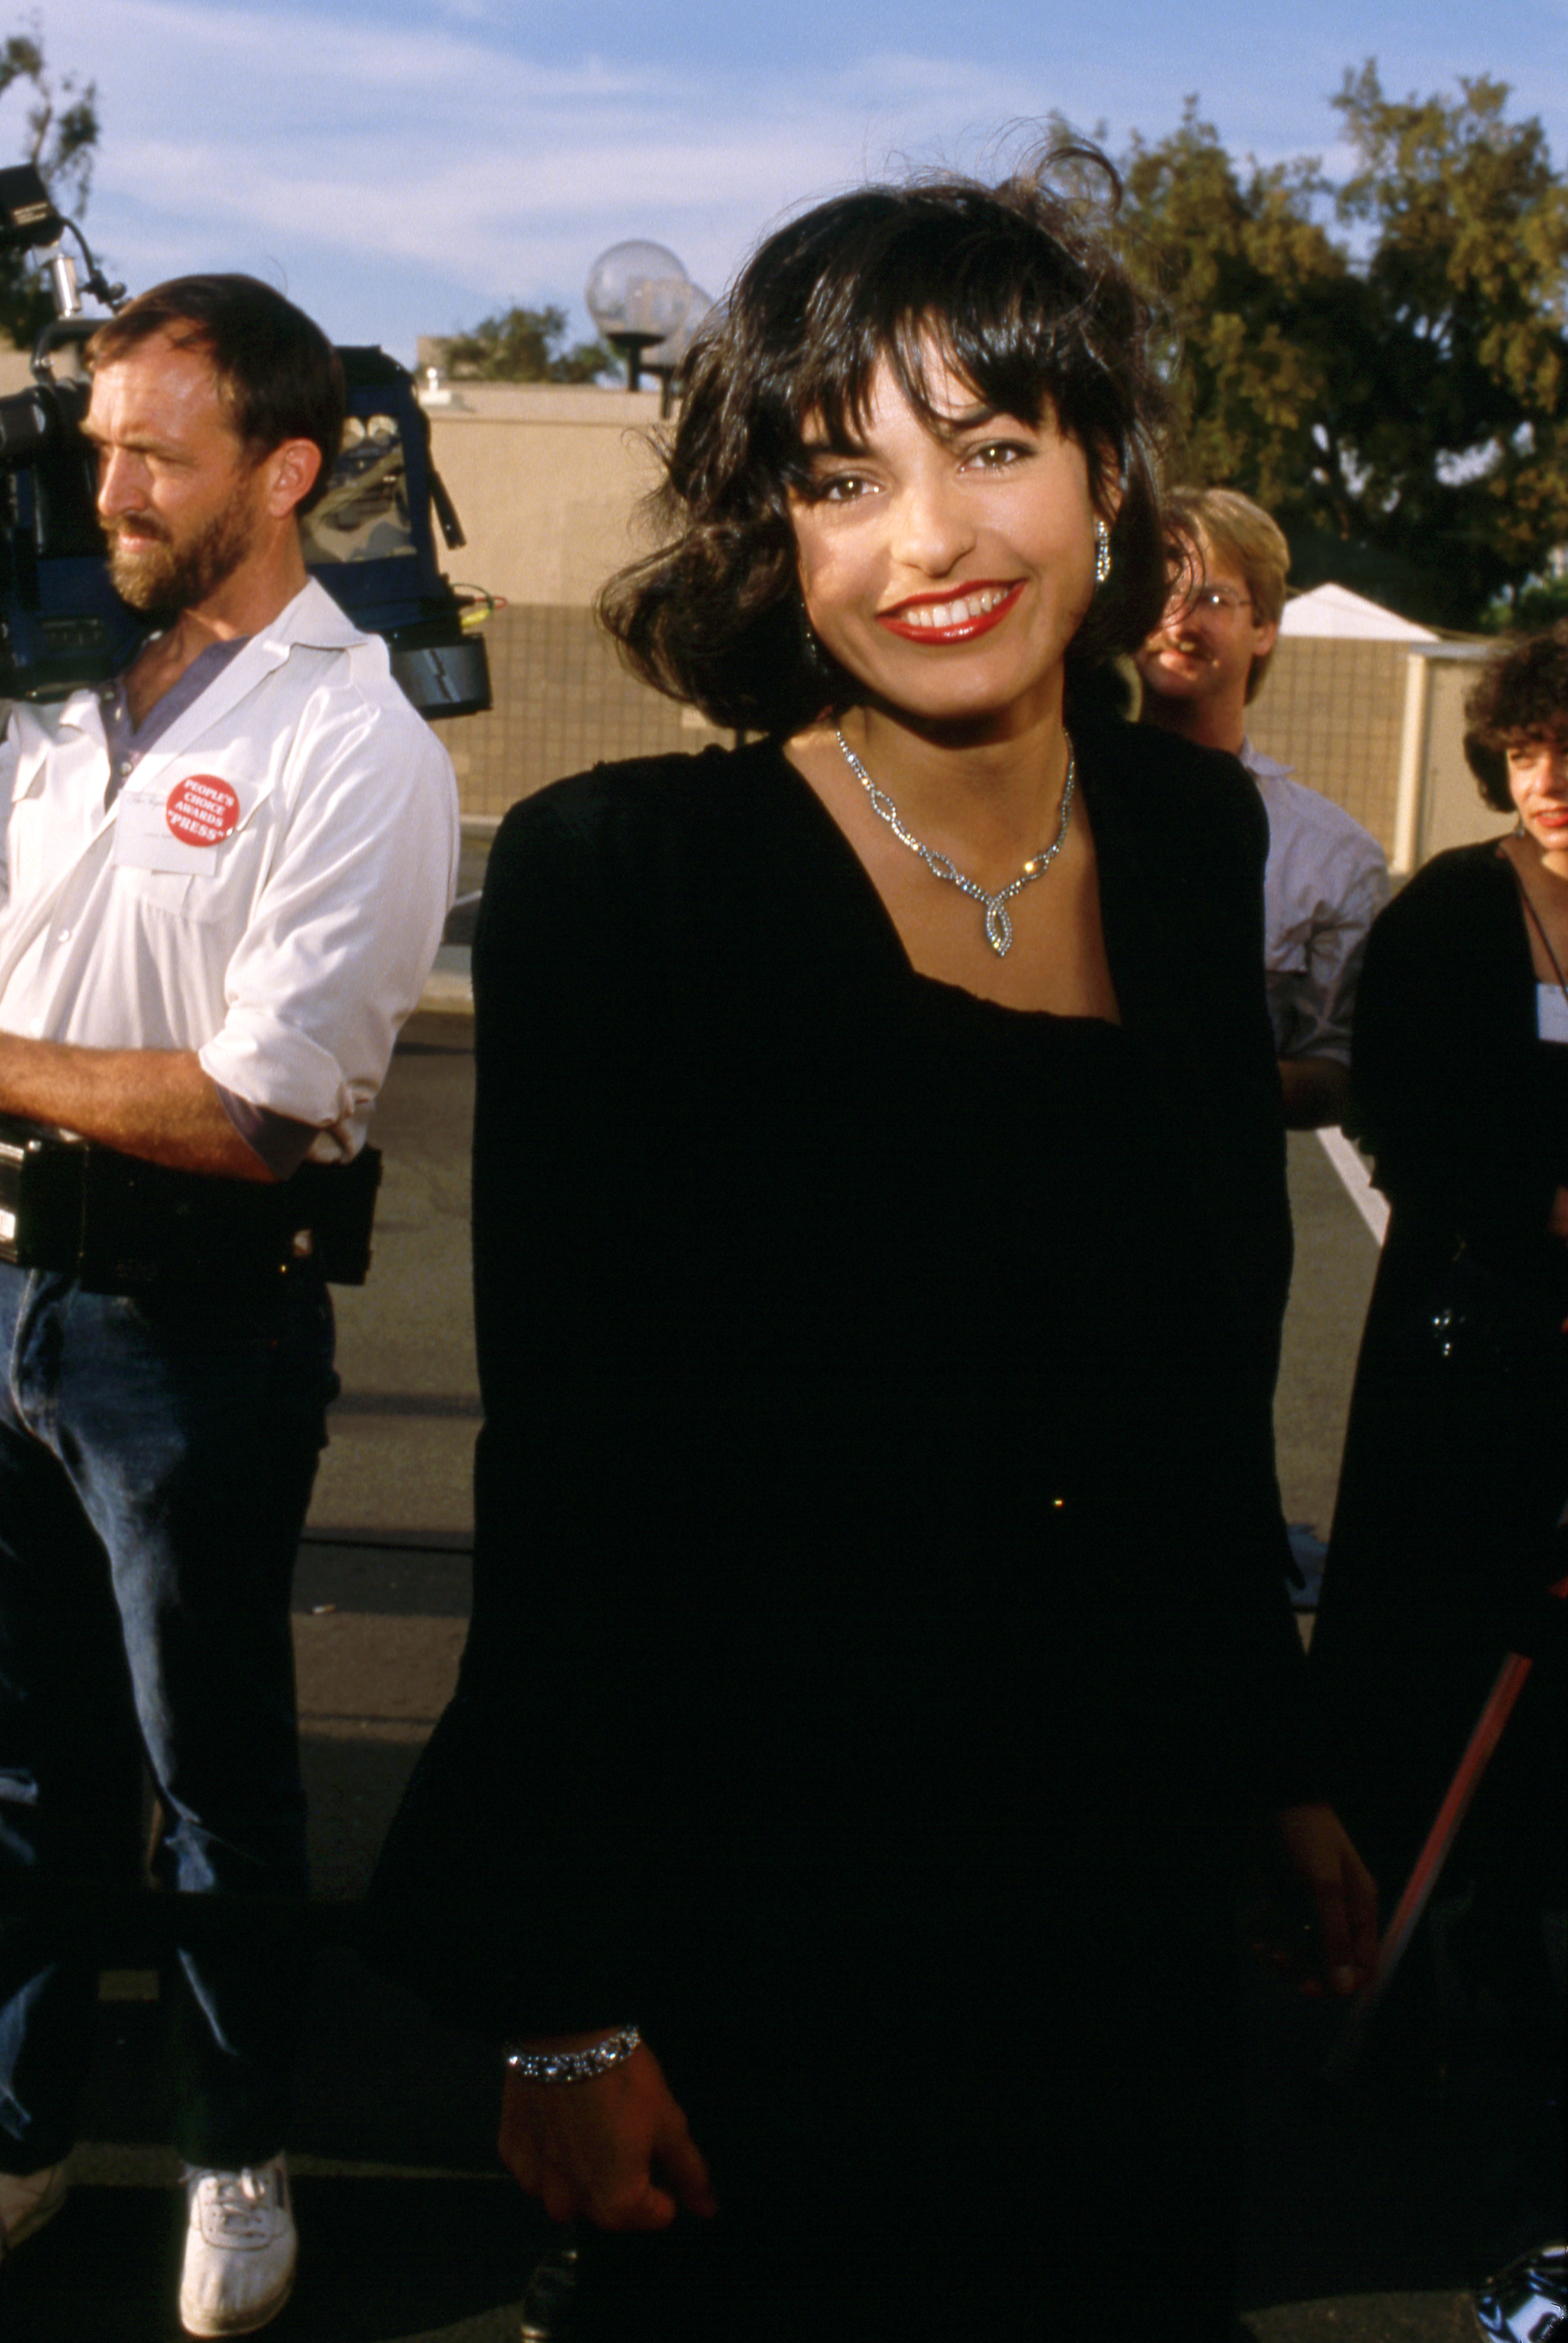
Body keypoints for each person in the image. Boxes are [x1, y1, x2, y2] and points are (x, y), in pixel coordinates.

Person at [363, 154, 1374, 2342]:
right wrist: (558, 2003)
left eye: (992, 448)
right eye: (843, 478)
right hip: (764, 1907)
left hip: (1109, 1894)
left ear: (1109, 480)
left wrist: (1273, 1767)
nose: (926, 540)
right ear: (777, 536)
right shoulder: (623, 880)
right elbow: (570, 1479)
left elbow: (1203, 1361)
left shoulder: (1195, 844)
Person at [0, 276, 458, 2334]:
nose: (109, 483)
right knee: (17, 1763)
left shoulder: (352, 746)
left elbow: (263, 1108)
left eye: (154, 452)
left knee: (213, 1777)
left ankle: (233, 2149)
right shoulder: (56, 701)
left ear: (283, 471)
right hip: (10, 1300)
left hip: (187, 1341)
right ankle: (20, 2129)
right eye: (97, 443)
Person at [1311, 623, 1568, 1994]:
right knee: (1435, 1618)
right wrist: (1533, 1205)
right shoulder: (1453, 911)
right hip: (1465, 1335)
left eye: (1566, 748)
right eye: (1524, 748)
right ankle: (1390, 1910)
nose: (1546, 777)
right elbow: (1392, 1113)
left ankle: (1522, 1907)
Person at [1135, 487, 1390, 1129]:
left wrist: (1189, 1082)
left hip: (1212, 1210)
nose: (1178, 620)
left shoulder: (1332, 856)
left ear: (1265, 628)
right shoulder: (1045, 795)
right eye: (1159, 588)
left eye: (1214, 599)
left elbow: (1336, 1074)